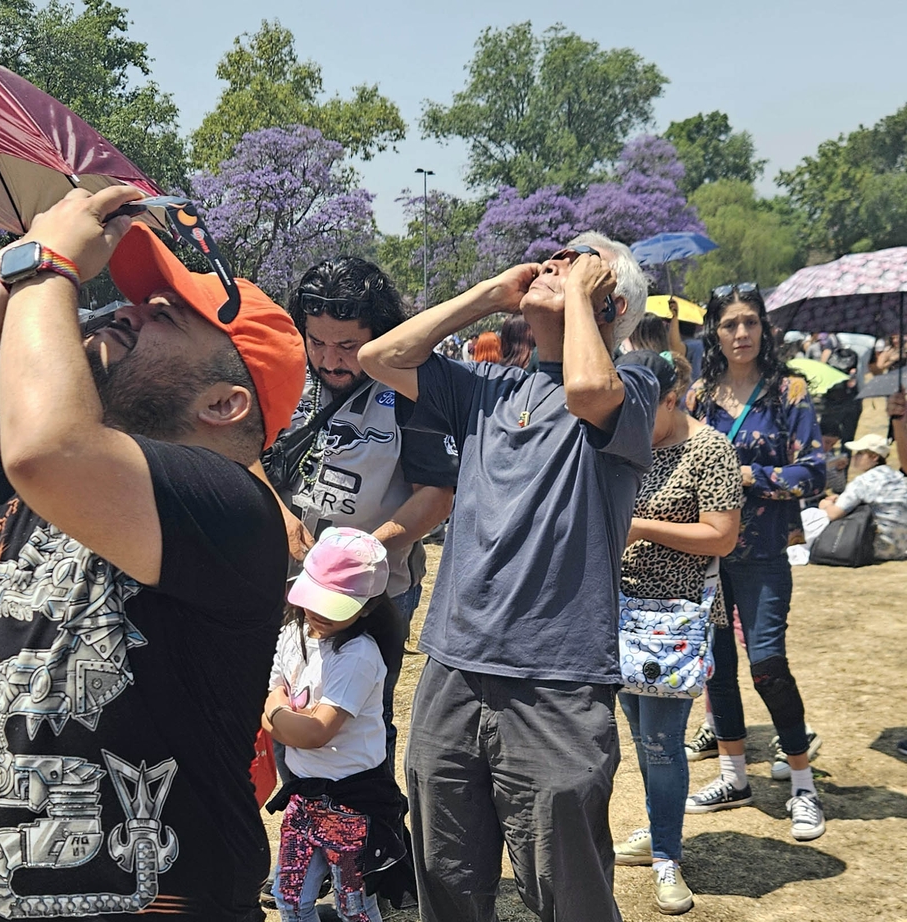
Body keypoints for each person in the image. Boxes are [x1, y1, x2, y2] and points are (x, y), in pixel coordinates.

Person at [0, 186, 306, 921]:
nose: (125, 309)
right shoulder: (6, 474)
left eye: (163, 315)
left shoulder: (233, 508)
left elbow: (49, 446)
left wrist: (47, 267)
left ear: (224, 403)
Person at [359, 232, 656, 922]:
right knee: (447, 876)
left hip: (559, 680)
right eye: (558, 255)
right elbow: (380, 356)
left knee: (566, 887)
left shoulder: (635, 386)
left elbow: (587, 387)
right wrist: (492, 295)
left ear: (610, 303)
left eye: (582, 262)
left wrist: (578, 293)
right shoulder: (488, 388)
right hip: (453, 667)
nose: (558, 262)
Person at [276, 257, 456, 769]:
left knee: (358, 721)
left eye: (348, 346)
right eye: (317, 342)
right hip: (288, 587)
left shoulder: (409, 392)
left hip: (376, 597)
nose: (330, 360)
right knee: (287, 706)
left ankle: (365, 837)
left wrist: (363, 551)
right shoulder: (285, 380)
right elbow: (246, 454)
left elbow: (436, 496)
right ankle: (300, 827)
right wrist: (279, 514)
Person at [684, 283, 827, 841]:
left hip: (764, 554)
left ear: (764, 327)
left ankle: (802, 784)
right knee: (716, 666)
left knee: (767, 663)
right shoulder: (697, 396)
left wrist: (750, 478)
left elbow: (814, 473)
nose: (741, 333)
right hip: (705, 556)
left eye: (750, 322)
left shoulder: (788, 392)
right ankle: (733, 775)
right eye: (729, 324)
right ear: (714, 333)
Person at [610, 351, 742, 916]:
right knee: (642, 739)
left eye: (643, 405)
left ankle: (667, 853)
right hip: (618, 613)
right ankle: (659, 828)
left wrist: (637, 526)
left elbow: (721, 537)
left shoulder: (710, 449)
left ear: (672, 397)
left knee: (663, 745)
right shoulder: (632, 441)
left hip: (673, 622)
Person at [264, 527, 408, 922]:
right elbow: (274, 689)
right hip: (303, 795)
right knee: (289, 898)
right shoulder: (293, 633)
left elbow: (315, 732)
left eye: (336, 606)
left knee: (355, 906)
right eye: (315, 599)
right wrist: (287, 715)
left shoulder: (358, 655)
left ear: (365, 607)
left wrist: (277, 713)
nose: (319, 613)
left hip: (354, 802)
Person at [819, 434, 907, 560]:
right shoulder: (898, 477)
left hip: (877, 548)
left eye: (860, 453)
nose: (854, 457)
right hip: (901, 547)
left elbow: (833, 514)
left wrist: (825, 505)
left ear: (874, 457)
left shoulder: (864, 481)